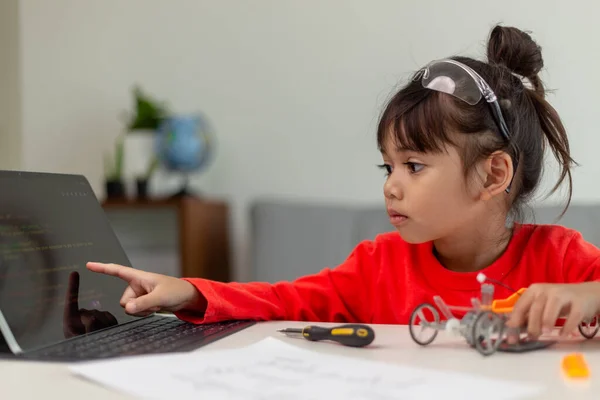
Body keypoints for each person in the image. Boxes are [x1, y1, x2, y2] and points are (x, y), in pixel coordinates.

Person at [87, 25, 600, 342]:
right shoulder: (378, 266)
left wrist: (588, 297)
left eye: (414, 166)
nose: (391, 187)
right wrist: (190, 292)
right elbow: (284, 299)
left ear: (493, 174)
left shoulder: (560, 258)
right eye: (388, 167)